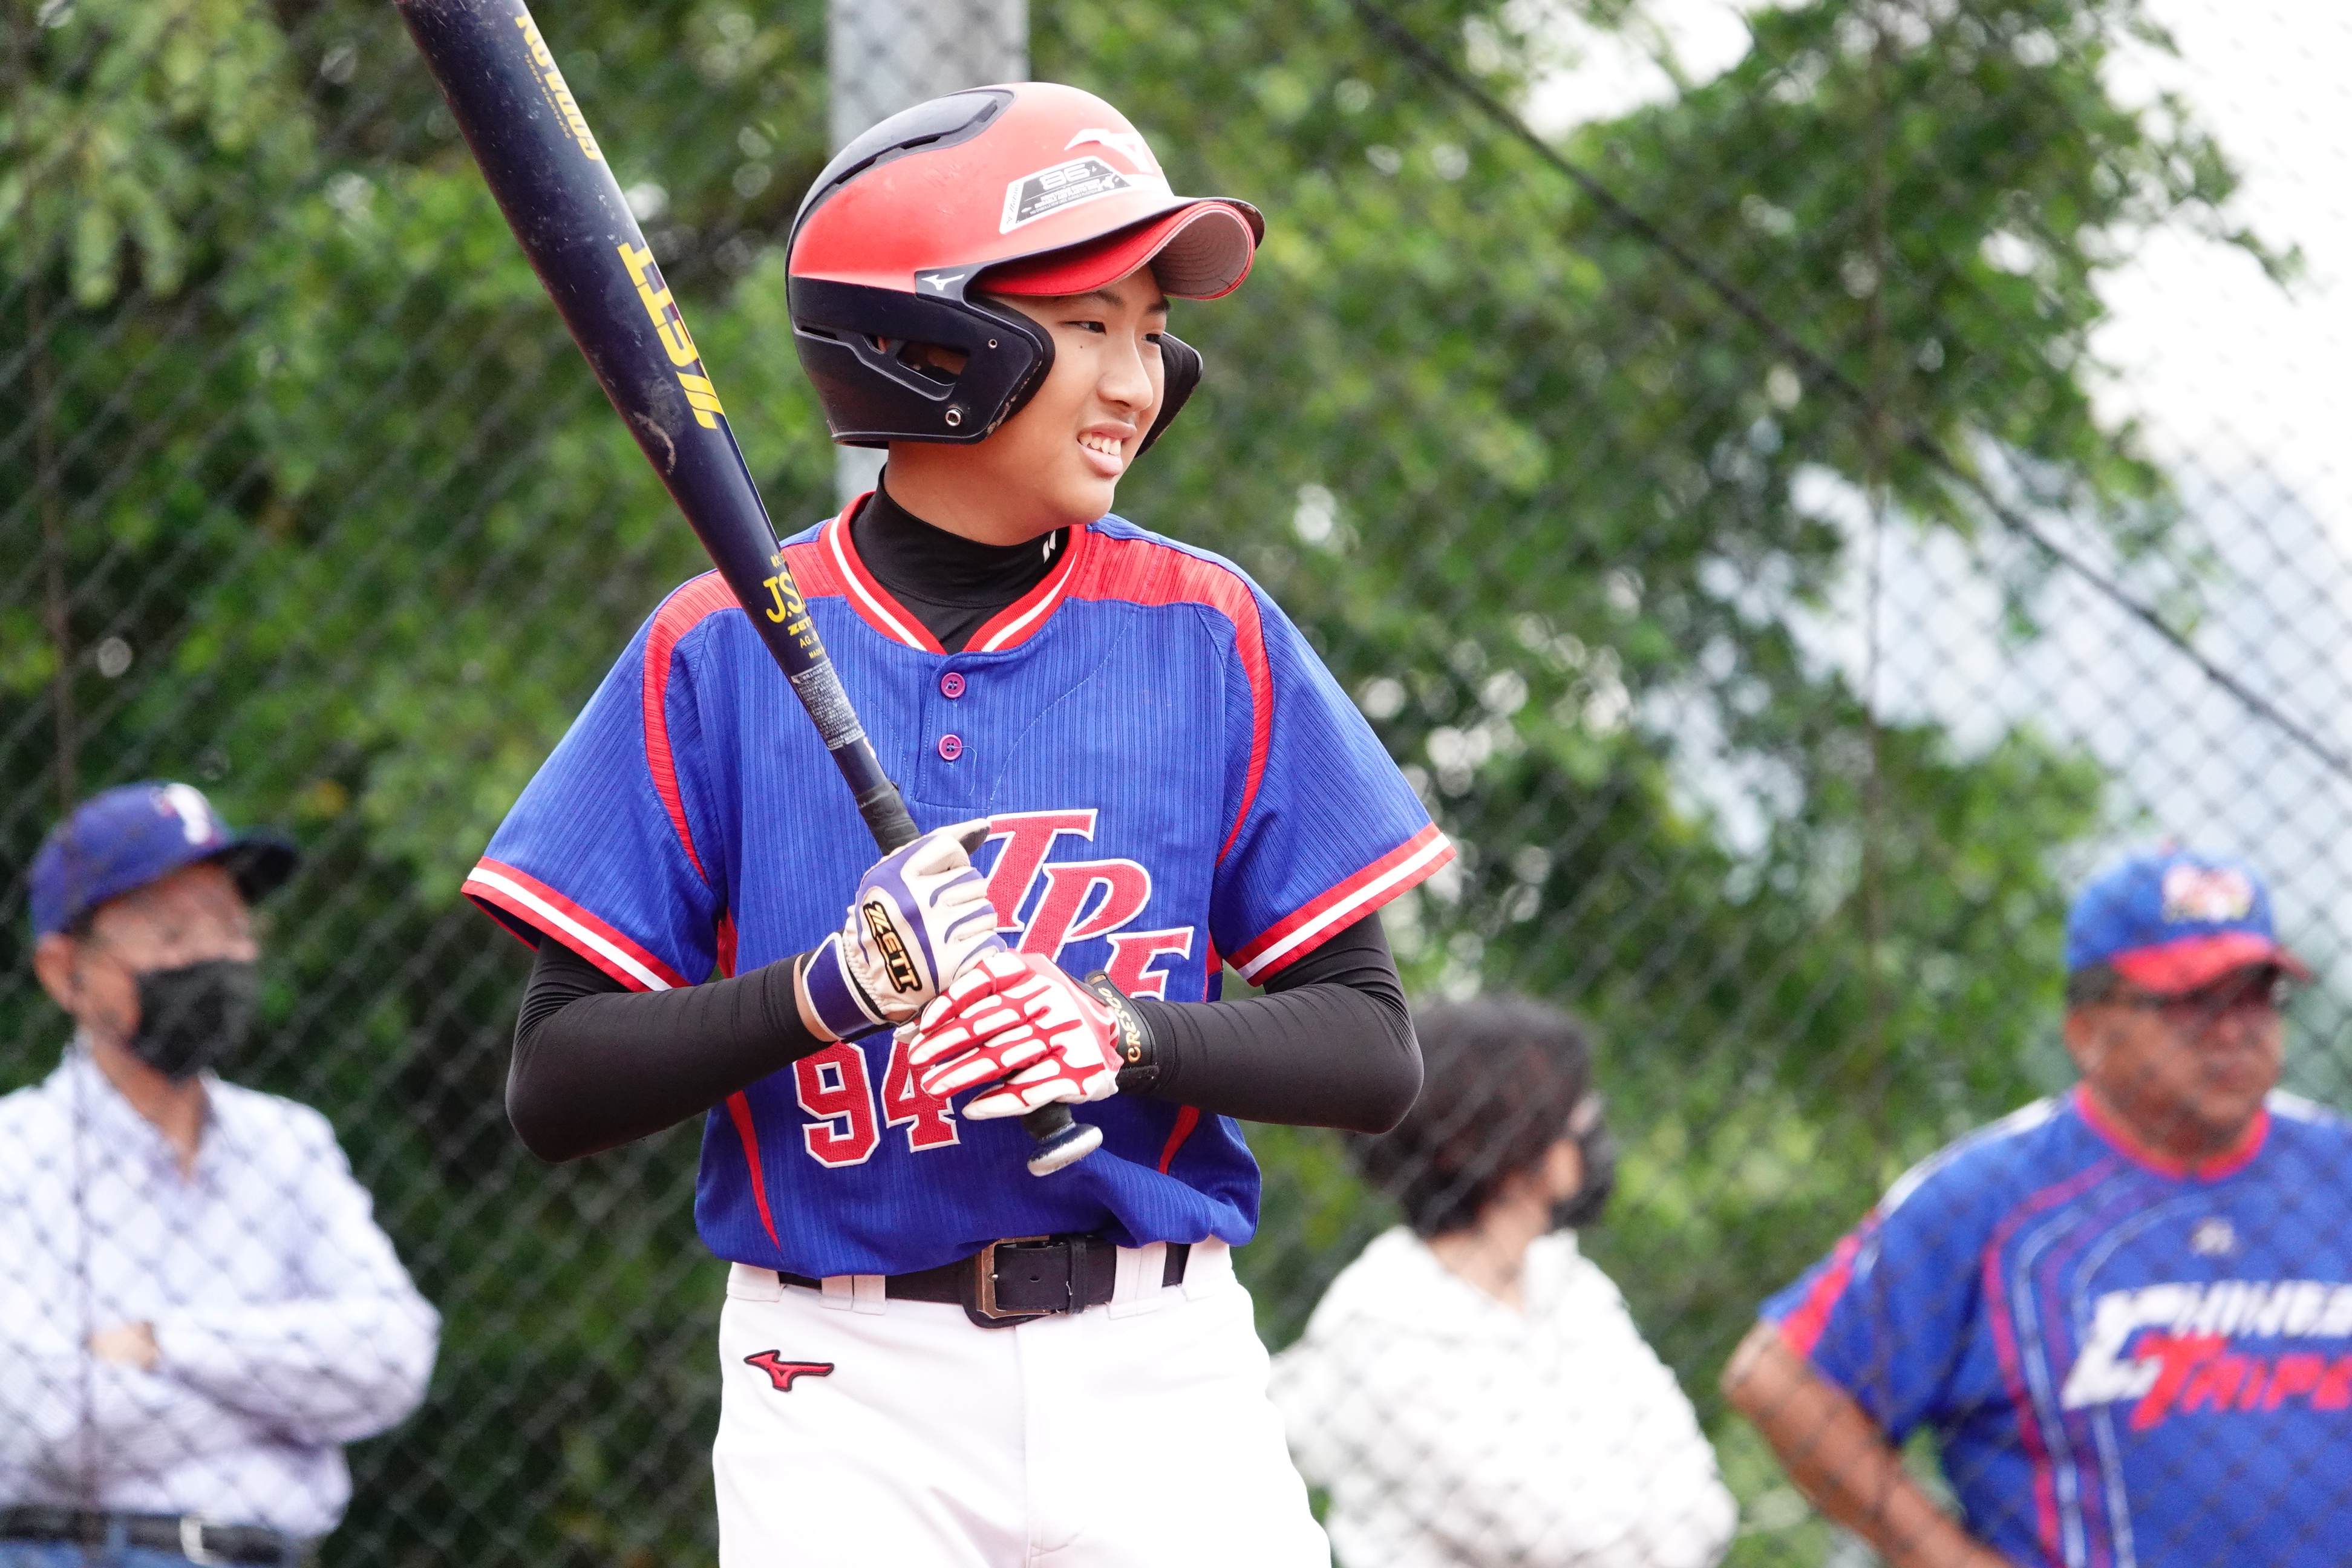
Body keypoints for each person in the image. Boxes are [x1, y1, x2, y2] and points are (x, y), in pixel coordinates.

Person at [464, 82, 1452, 1565]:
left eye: (1149, 331)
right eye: (1087, 324)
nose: (1136, 380)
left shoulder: (1208, 628)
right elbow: (557, 1083)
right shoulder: (714, 646)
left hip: (1159, 1369)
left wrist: (1120, 1033)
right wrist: (828, 992)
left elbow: (1373, 1051)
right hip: (838, 1383)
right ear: (926, 344)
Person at [1724, 848, 2352, 1567]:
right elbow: (1778, 1380)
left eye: (2256, 996)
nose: (2232, 1030)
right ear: (2086, 1030)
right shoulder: (1990, 1198)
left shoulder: (2337, 1171)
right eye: (2190, 1001)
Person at [1, 781, 440, 1567]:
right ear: (66, 971)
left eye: (232, 927)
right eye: (172, 932)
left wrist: (163, 1345)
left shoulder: (291, 1143)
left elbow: (394, 1356)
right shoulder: (15, 1152)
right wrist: (292, 1406)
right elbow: (47, 1421)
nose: (211, 957)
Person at [1272, 996, 1735, 1568]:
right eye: (1569, 1105)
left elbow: (1707, 1510)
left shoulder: (1567, 1280)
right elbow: (1555, 1543)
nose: (1589, 1122)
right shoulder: (1379, 1328)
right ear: (1497, 1134)